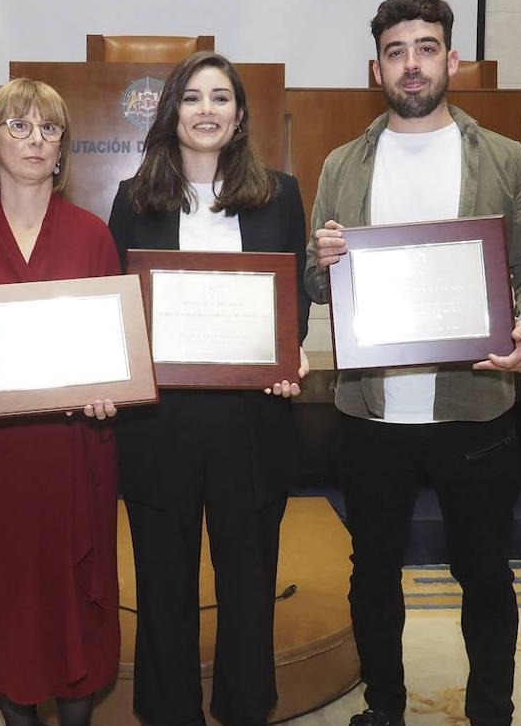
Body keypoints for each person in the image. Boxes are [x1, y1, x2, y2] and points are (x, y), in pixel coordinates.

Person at [304, 0, 521, 726]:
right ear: (376, 69)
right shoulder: (342, 165)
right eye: (396, 52)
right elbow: (312, 282)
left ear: (452, 60)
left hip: (474, 408)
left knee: (484, 573)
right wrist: (321, 262)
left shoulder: (502, 159)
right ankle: (383, 710)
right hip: (371, 413)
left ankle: (491, 713)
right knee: (372, 574)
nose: (411, 64)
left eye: (425, 49)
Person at [108, 50, 310, 726]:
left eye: (220, 97)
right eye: (192, 97)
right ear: (172, 112)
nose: (206, 110)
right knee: (163, 584)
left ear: (240, 114)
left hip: (252, 423)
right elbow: (117, 303)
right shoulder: (134, 198)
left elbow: (292, 300)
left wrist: (291, 353)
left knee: (248, 584)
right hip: (158, 424)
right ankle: (170, 711)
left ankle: (244, 706)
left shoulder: (280, 194)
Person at [0, 78, 121, 726]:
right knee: (1, 594)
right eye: (19, 126)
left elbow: (116, 339)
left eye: (49, 128)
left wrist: (111, 389)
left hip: (72, 453)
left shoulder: (93, 235)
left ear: (63, 149)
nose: (35, 140)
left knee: (74, 600)